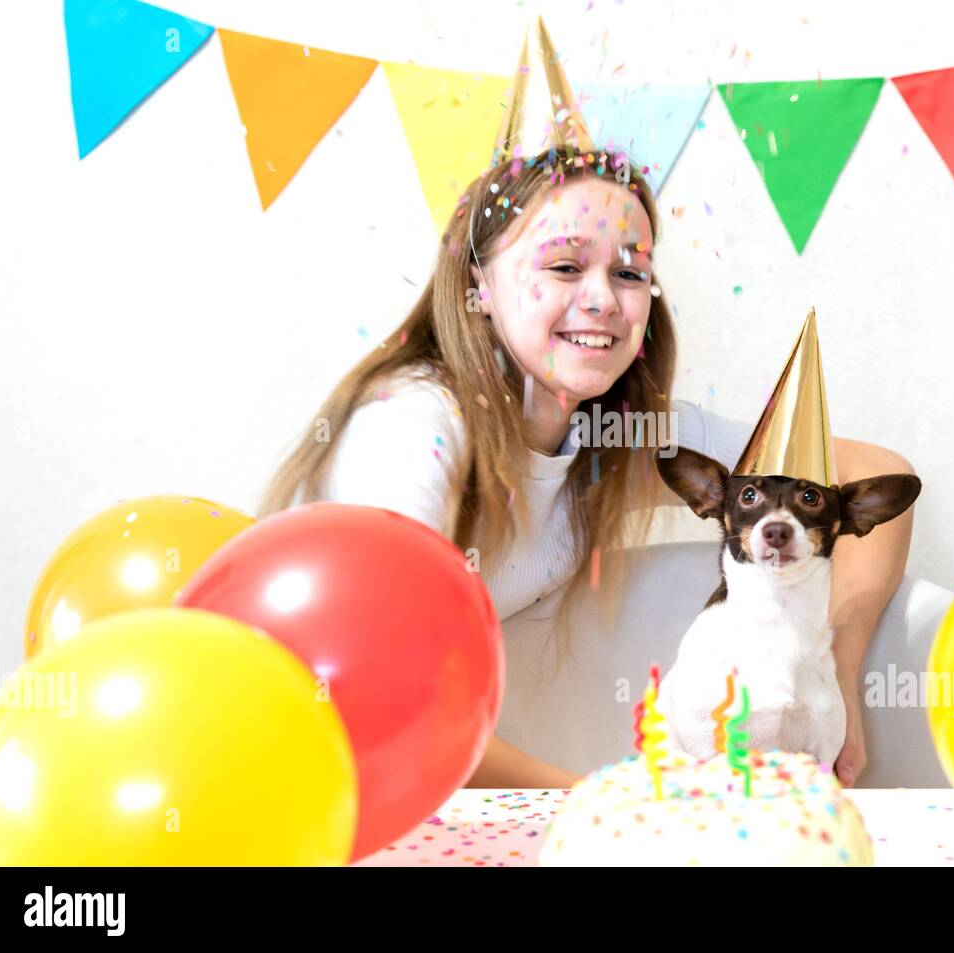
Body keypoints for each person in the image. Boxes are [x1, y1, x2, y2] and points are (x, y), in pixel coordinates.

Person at [258, 145, 915, 789]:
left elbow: (874, 469)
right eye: (566, 265)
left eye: (630, 273)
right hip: (300, 765)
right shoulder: (412, 430)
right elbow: (377, 690)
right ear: (478, 286)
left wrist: (837, 666)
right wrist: (603, 802)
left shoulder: (619, 429)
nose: (603, 300)